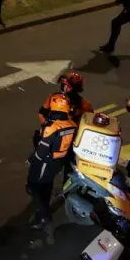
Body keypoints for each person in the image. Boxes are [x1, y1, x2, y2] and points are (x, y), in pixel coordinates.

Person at [27, 94, 76, 228]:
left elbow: (41, 152)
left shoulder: (51, 127)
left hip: (45, 163)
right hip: (58, 163)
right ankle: (44, 209)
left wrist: (32, 159)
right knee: (47, 185)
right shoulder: (72, 124)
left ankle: (44, 216)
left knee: (34, 187)